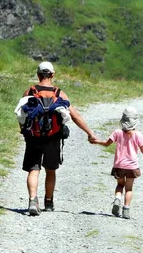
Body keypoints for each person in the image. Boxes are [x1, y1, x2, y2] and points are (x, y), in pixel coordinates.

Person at [17, 61, 97, 216]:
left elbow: (21, 114)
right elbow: (75, 116)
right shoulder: (59, 93)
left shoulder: (30, 91)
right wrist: (90, 133)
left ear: (38, 74)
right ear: (52, 75)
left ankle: (33, 200)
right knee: (51, 170)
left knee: (34, 170)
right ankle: (49, 201)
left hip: (34, 137)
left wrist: (24, 130)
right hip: (53, 137)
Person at [93, 106, 143, 219]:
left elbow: (106, 144)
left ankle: (117, 199)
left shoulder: (117, 133)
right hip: (132, 167)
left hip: (119, 166)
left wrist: (96, 141)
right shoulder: (137, 135)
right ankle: (126, 209)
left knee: (120, 185)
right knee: (129, 188)